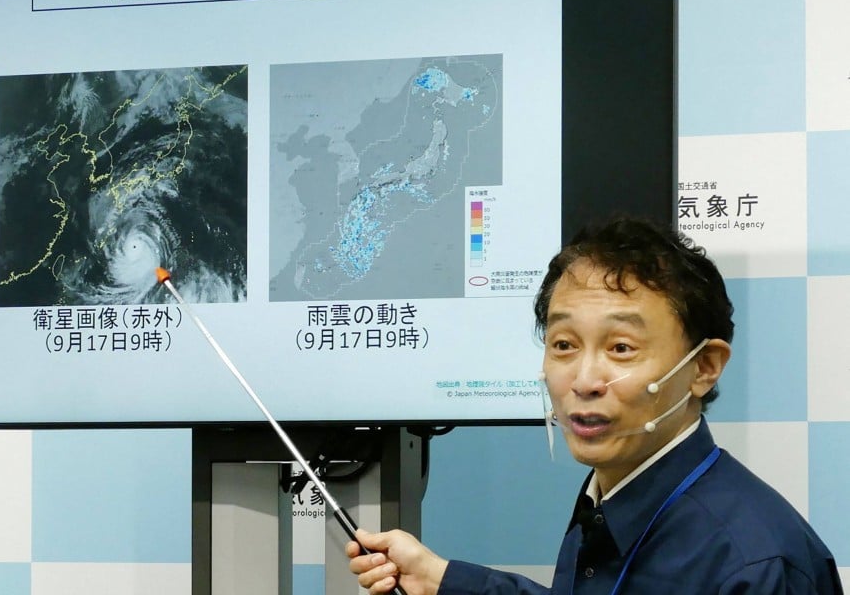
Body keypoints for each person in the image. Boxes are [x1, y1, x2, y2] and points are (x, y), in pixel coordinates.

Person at [348, 217, 843, 594]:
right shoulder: (610, 495)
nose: (583, 380)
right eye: (563, 344)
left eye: (621, 348)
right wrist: (443, 580)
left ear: (704, 366)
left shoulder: (752, 563)